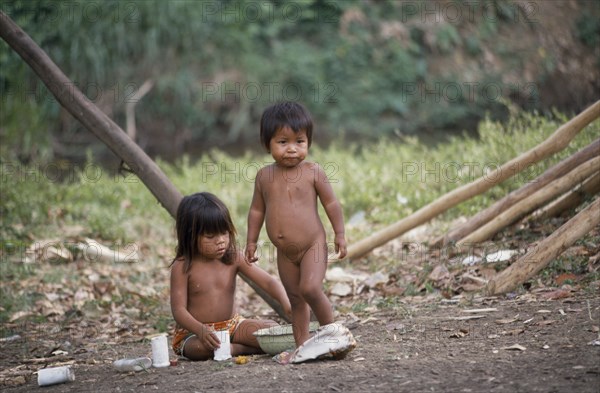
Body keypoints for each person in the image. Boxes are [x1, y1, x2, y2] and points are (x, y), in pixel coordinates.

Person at [245, 101, 347, 349]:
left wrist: (340, 234)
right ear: (267, 143)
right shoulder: (264, 177)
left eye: (299, 142)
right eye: (283, 142)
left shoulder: (314, 172)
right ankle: (303, 345)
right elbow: (257, 210)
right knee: (296, 299)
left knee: (311, 288)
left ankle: (332, 333)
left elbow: (331, 204)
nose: (292, 149)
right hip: (285, 253)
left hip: (313, 244)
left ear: (308, 142)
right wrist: (251, 241)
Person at [170, 192, 292, 361]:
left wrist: (286, 303)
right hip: (195, 333)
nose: (220, 241)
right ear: (190, 236)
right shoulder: (182, 266)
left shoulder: (233, 257)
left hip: (232, 326)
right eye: (210, 236)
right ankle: (240, 349)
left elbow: (269, 282)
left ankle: (230, 348)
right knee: (200, 349)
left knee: (272, 330)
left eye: (224, 233)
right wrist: (200, 330)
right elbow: (179, 310)